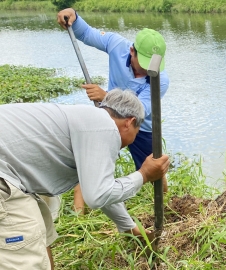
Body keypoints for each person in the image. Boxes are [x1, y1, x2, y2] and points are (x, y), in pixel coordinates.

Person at [0, 90, 170, 270]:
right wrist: (144, 175)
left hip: (12, 175)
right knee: (27, 255)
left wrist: (131, 229)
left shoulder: (88, 122)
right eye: (137, 132)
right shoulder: (104, 126)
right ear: (130, 122)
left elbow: (99, 188)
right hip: (5, 179)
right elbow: (98, 196)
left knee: (43, 234)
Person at [56, 8, 170, 214]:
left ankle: (167, 207)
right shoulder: (117, 45)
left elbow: (140, 110)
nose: (146, 70)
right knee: (88, 160)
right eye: (142, 64)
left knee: (155, 167)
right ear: (132, 51)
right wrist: (73, 15)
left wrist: (105, 96)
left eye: (151, 65)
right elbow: (86, 33)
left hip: (140, 127)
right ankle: (78, 213)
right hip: (106, 119)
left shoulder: (160, 79)